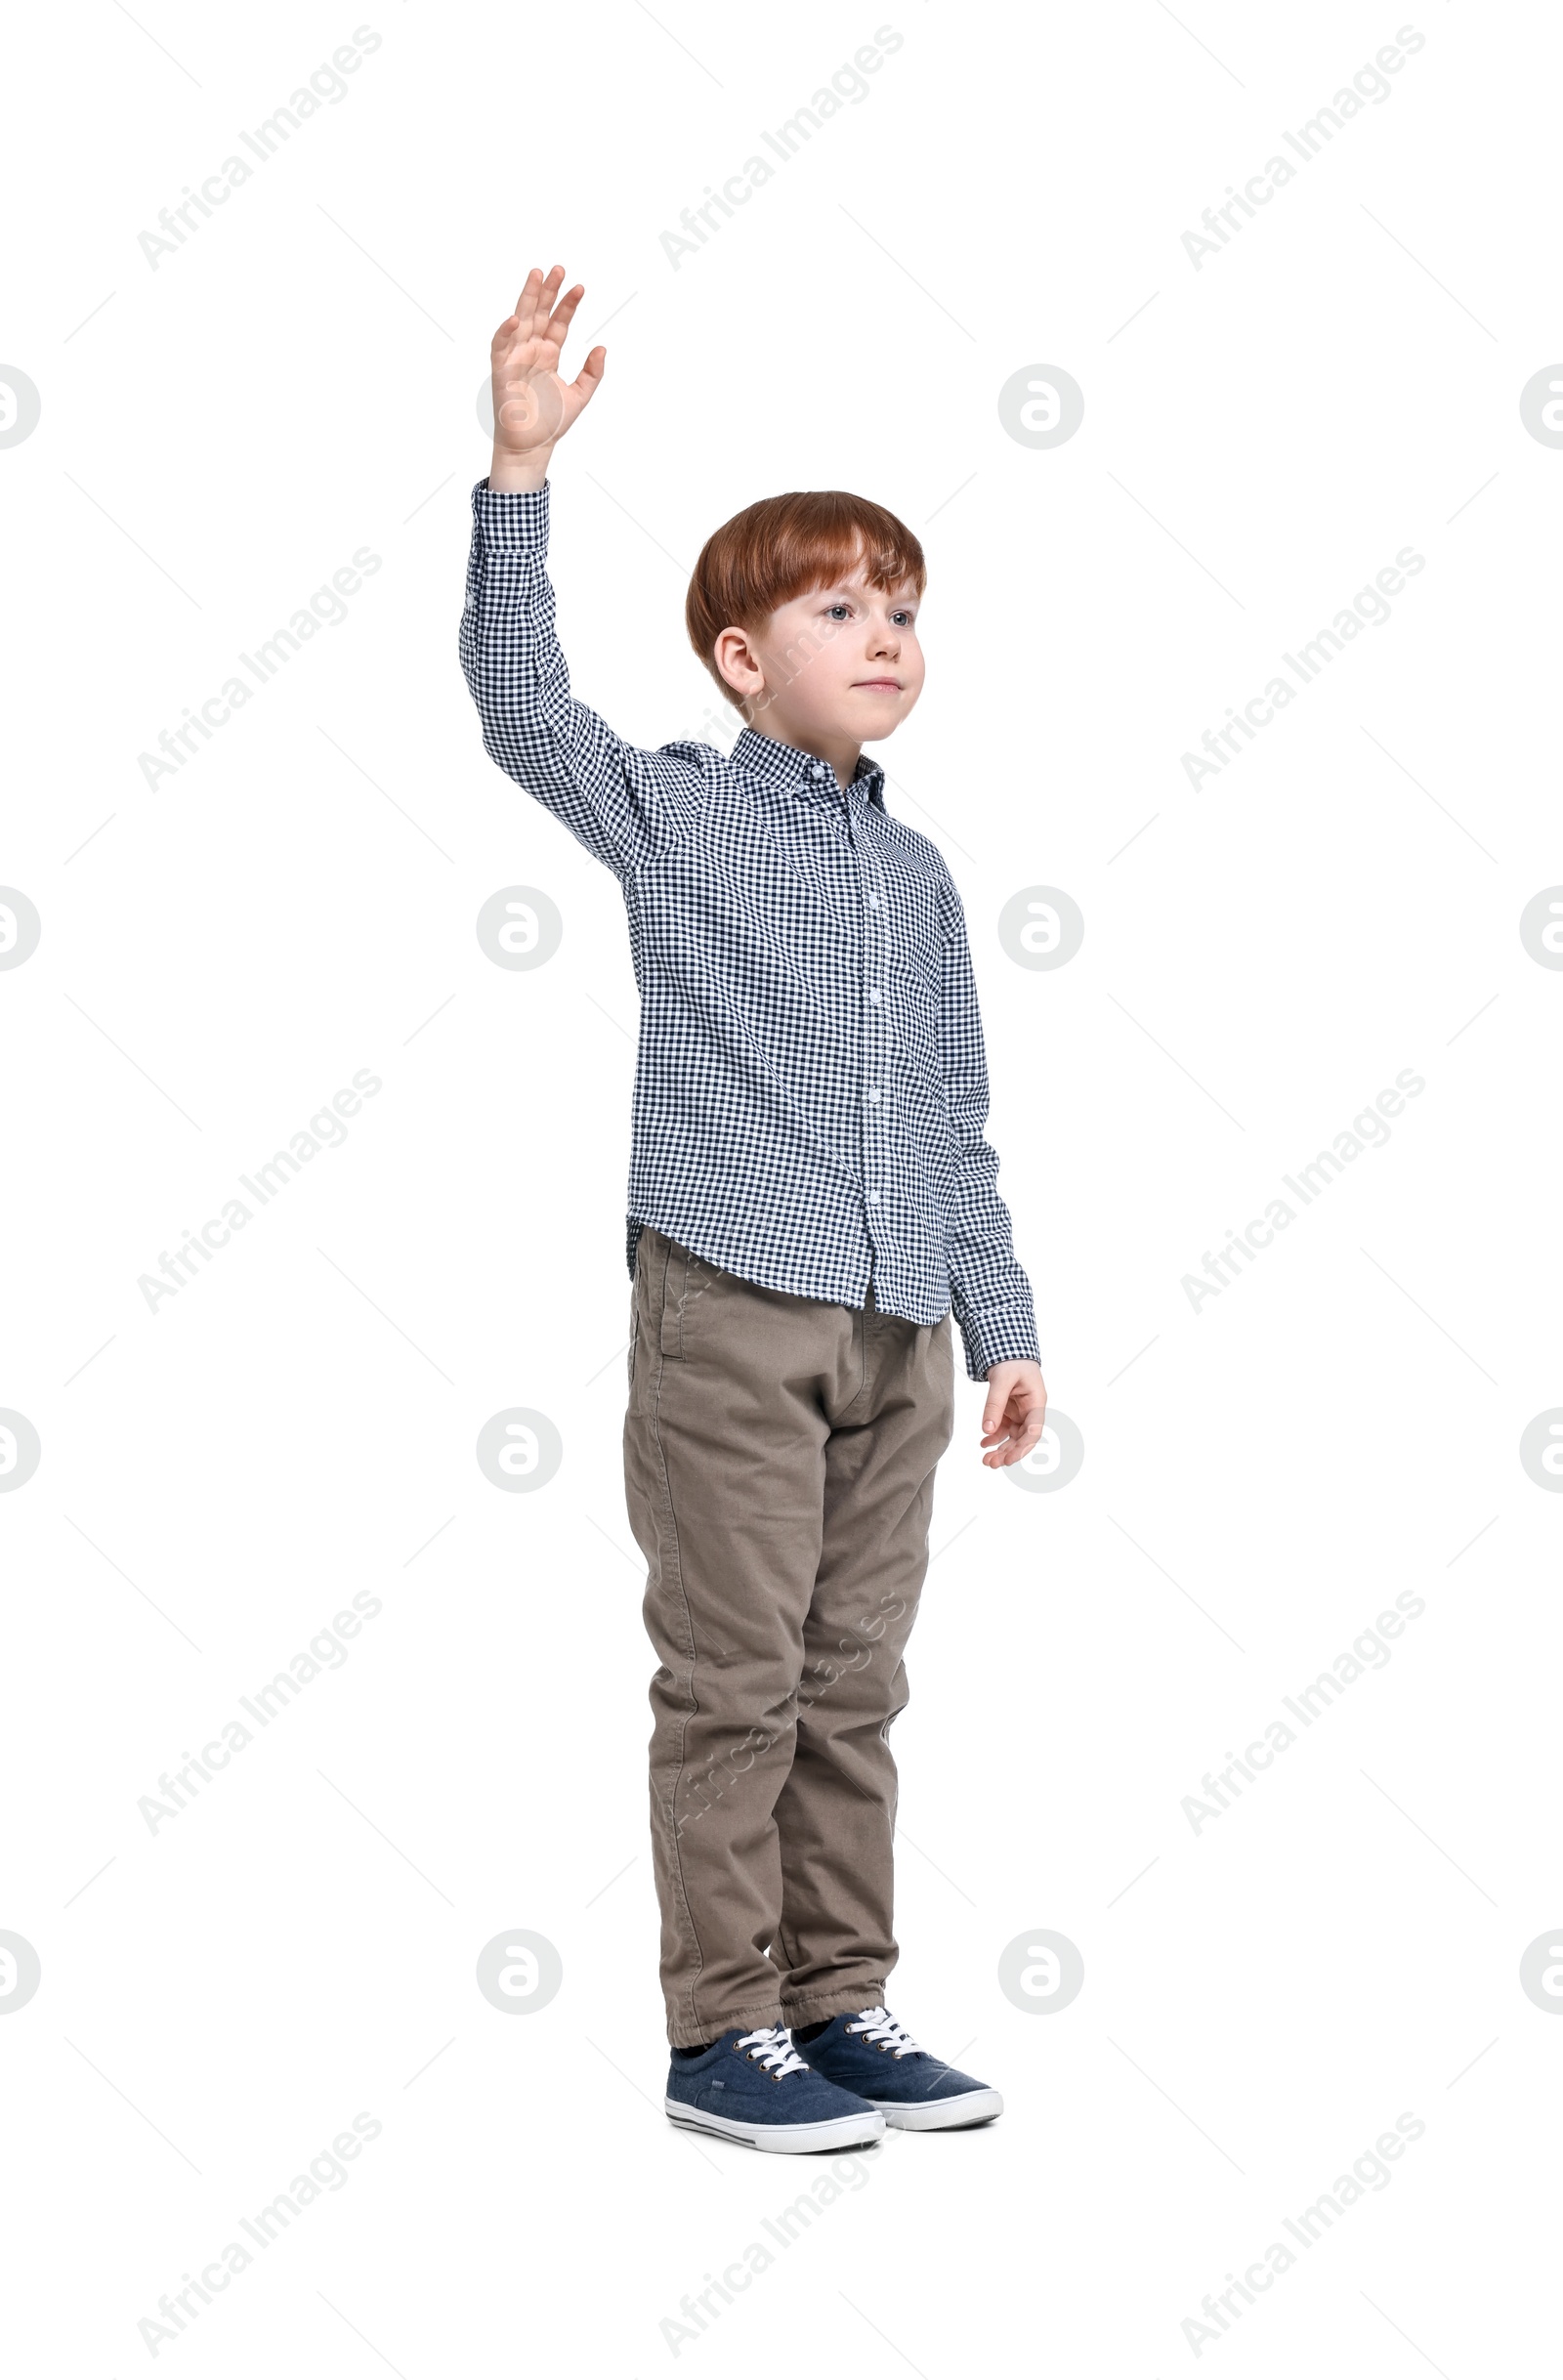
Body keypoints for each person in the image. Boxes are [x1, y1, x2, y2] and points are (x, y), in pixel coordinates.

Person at [461, 267, 1047, 2153]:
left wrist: (1004, 1321)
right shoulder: (675, 815)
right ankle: (722, 2032)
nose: (885, 634)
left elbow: (959, 1115)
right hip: (728, 1307)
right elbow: (519, 704)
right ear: (738, 655)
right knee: (733, 1679)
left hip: (897, 1333)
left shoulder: (927, 877)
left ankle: (837, 1998)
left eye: (902, 608)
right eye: (838, 607)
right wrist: (518, 477)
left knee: (853, 1683)